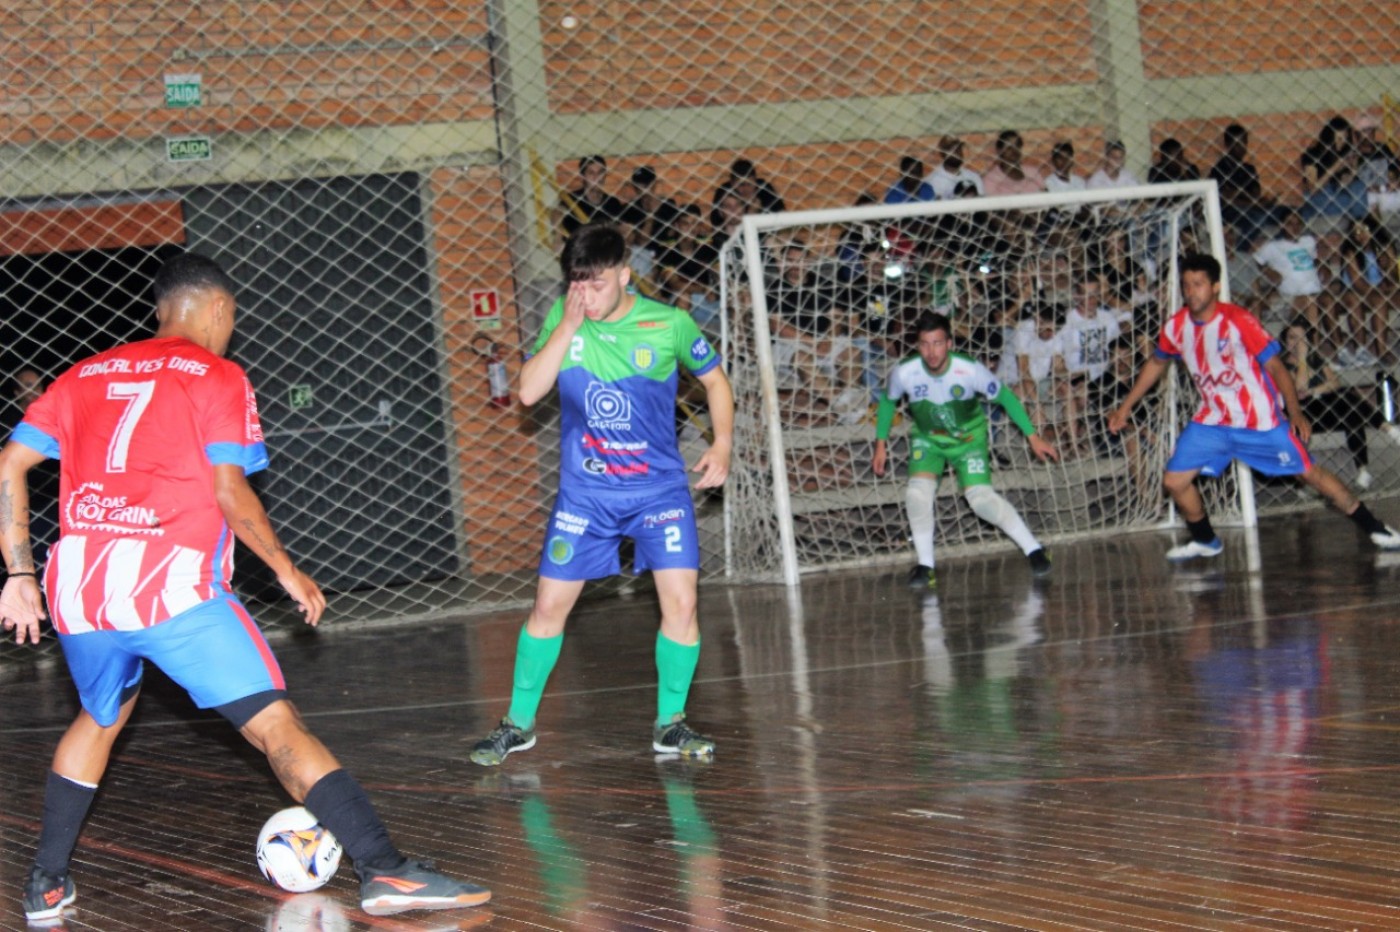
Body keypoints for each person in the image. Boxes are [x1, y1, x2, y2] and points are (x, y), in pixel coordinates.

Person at [0, 253, 491, 921]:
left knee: (100, 717)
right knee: (275, 725)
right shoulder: (216, 374)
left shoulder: (83, 373)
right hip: (170, 583)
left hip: (80, 587)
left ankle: (47, 882)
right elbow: (230, 491)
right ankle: (384, 871)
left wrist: (19, 574)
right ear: (218, 308)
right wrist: (285, 568)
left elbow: (10, 463)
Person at [469, 224, 734, 766]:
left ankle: (671, 723)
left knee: (682, 603)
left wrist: (722, 443)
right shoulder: (564, 318)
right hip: (586, 496)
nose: (585, 295)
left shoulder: (669, 323)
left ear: (624, 276)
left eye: (596, 284)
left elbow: (714, 380)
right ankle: (518, 724)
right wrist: (567, 326)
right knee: (548, 607)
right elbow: (528, 392)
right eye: (577, 283)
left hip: (658, 490)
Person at [1107, 253, 1400, 560]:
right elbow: (1157, 362)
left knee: (1308, 474)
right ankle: (1206, 541)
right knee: (1174, 481)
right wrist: (1125, 407)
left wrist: (1295, 412)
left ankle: (1376, 528)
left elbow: (1276, 367)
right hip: (1213, 421)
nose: (1191, 291)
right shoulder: (1176, 326)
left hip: (1259, 422)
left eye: (1198, 284)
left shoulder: (1239, 320)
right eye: (1186, 285)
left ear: (1215, 286)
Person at [872, 311, 1058, 589]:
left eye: (937, 343)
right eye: (925, 344)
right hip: (929, 439)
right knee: (916, 494)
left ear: (949, 344)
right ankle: (926, 566)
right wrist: (880, 443)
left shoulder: (969, 369)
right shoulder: (905, 372)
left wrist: (1033, 437)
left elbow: (1005, 397)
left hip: (968, 438)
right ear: (918, 346)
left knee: (981, 501)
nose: (931, 352)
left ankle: (1035, 550)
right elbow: (888, 402)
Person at [1282, 319, 1400, 489]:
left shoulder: (1316, 360)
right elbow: (1299, 389)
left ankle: (1363, 470)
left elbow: (1335, 383)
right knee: (1344, 399)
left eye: (1301, 338)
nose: (1297, 342)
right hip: (1305, 415)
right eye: (1292, 337)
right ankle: (1387, 427)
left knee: (1351, 412)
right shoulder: (1284, 365)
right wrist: (1302, 359)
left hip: (1328, 407)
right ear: (1286, 341)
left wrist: (1314, 391)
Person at [0, 367, 58, 566]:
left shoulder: (52, 418)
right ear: (17, 392)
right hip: (17, 499)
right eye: (27, 385)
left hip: (50, 499)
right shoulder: (7, 421)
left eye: (37, 385)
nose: (34, 390)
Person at [561, 154, 626, 236]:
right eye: (591, 173)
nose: (596, 177)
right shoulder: (571, 200)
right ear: (582, 176)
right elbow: (557, 215)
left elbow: (620, 229)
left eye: (600, 172)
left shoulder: (612, 202)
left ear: (605, 175)